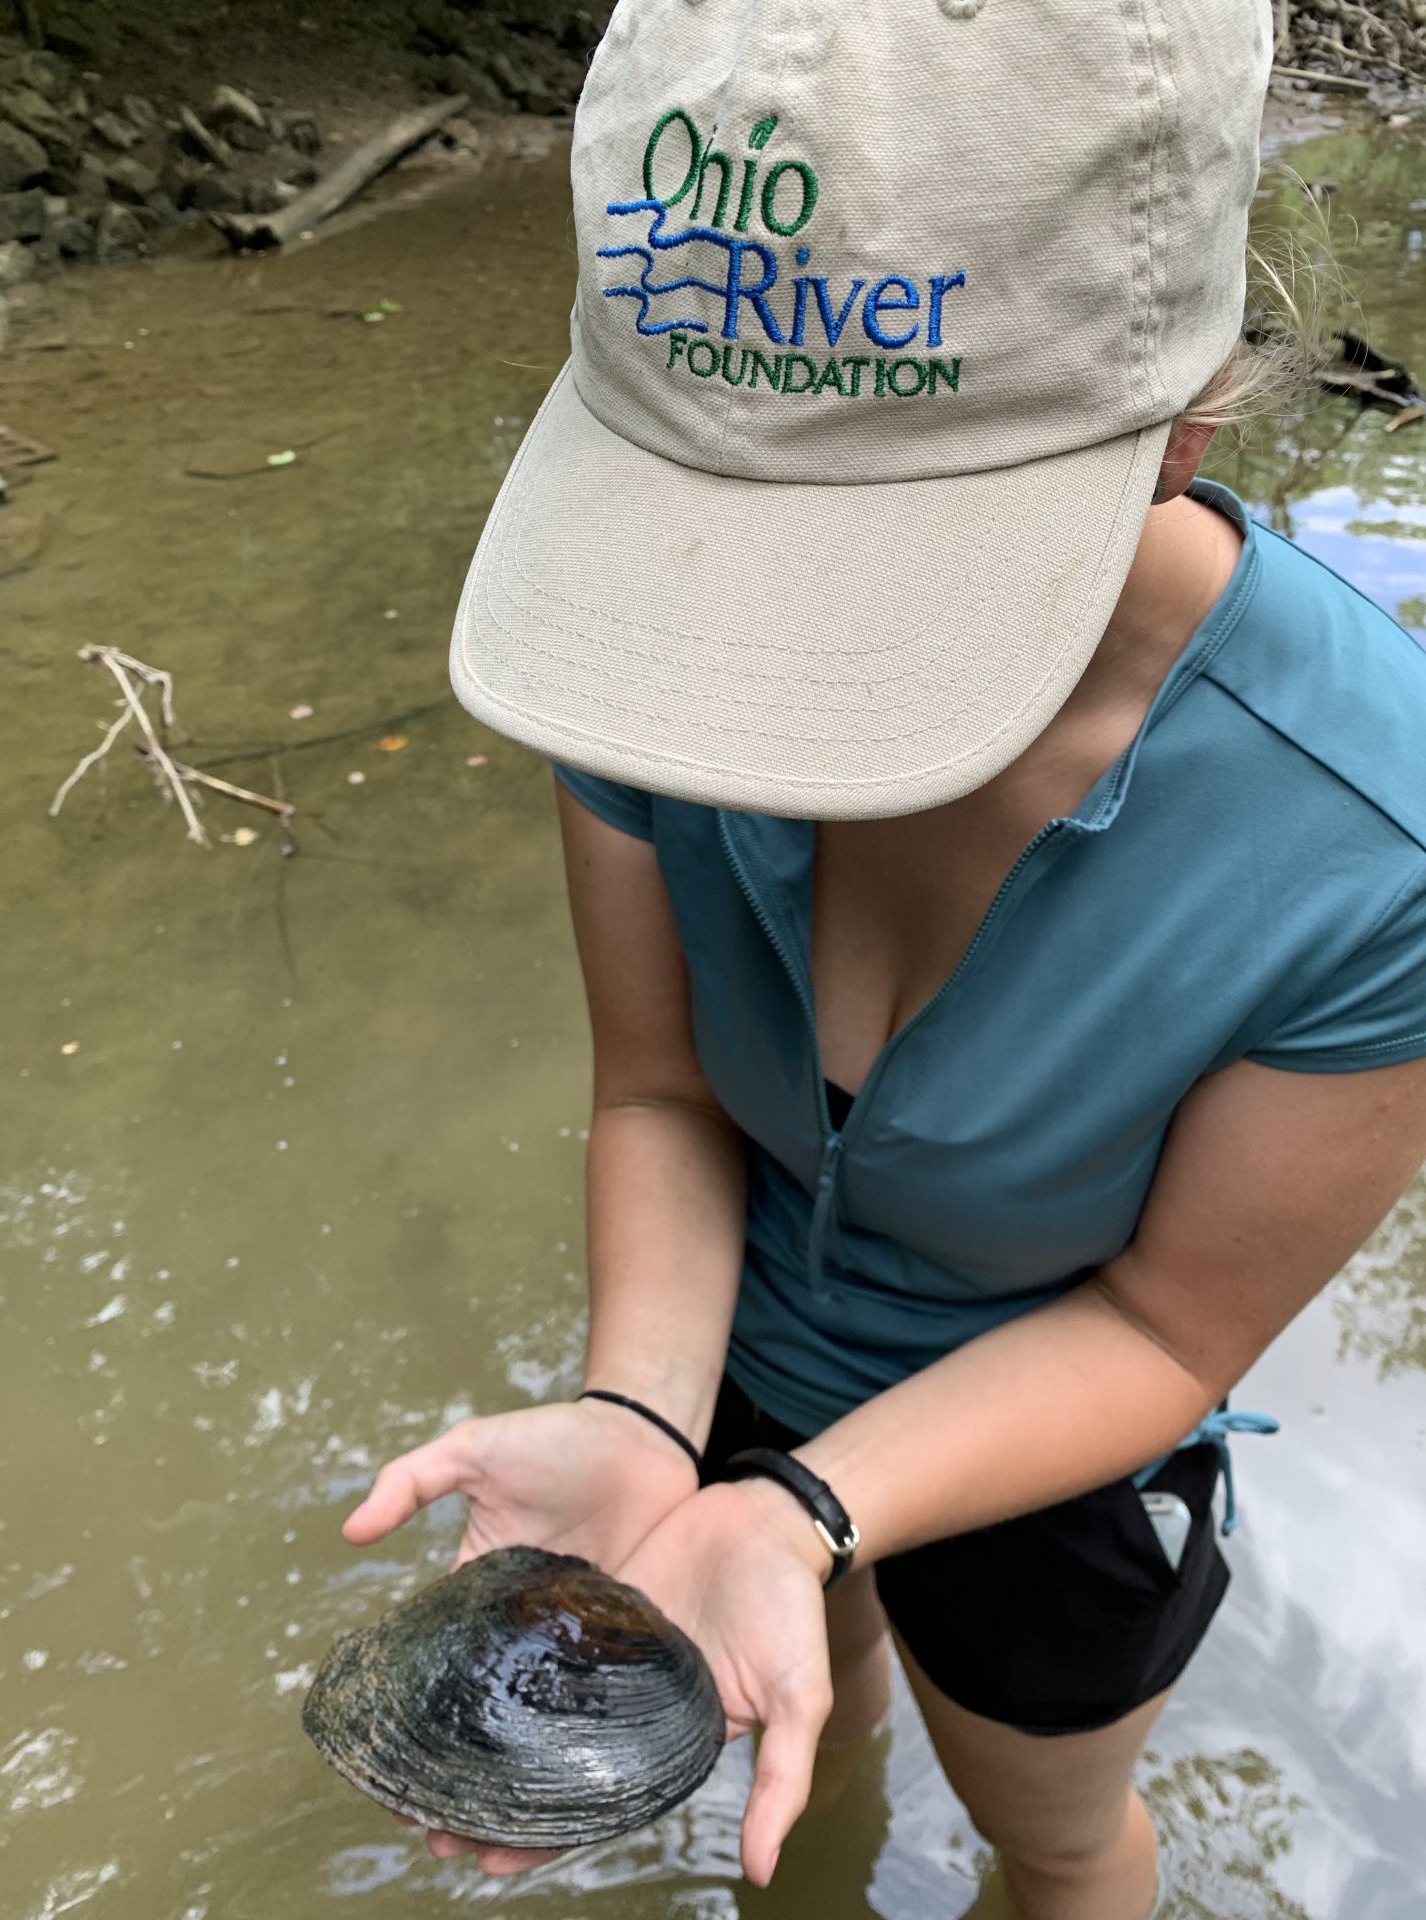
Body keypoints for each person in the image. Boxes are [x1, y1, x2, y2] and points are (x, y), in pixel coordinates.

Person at [345, 4, 1426, 1917]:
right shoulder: (641, 633)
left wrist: (813, 1503)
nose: (747, 674)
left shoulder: (1367, 841)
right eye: (725, 536)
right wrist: (644, 1424)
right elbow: (664, 1090)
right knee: (788, 1722)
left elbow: (1175, 1330)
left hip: (1061, 1417)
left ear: (1177, 423)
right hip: (733, 1329)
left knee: (1057, 1833)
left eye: (871, 564)